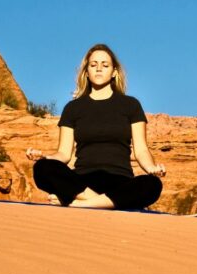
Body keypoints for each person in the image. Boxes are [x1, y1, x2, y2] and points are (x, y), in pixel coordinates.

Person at [25, 43, 165, 209]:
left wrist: (151, 168)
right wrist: (44, 158)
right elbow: (63, 153)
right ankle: (105, 203)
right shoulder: (73, 108)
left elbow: (141, 150)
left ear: (114, 72)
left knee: (152, 184)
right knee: (42, 168)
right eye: (93, 65)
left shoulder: (131, 105)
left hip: (120, 181)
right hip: (82, 182)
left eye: (105, 65)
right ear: (86, 72)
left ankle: (75, 204)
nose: (99, 69)